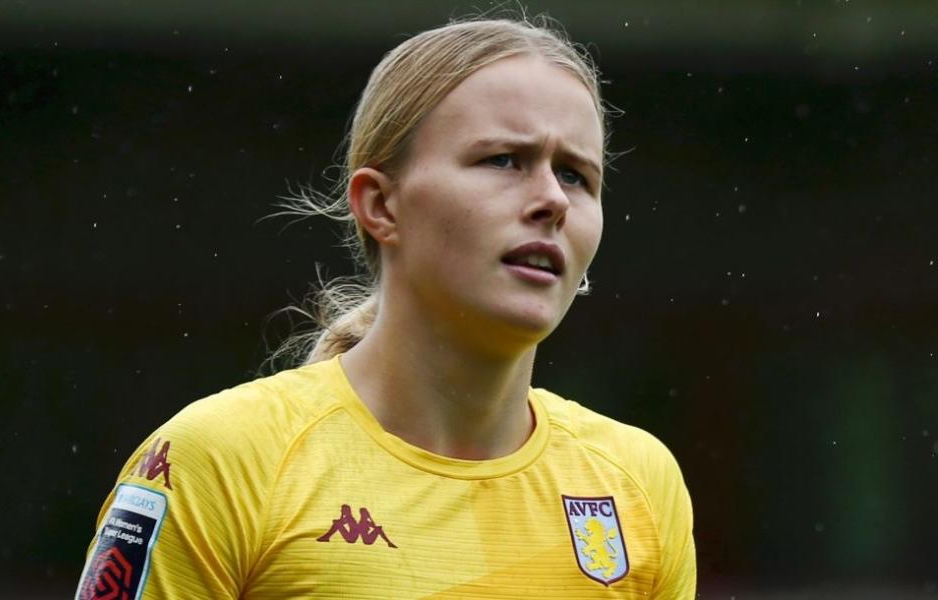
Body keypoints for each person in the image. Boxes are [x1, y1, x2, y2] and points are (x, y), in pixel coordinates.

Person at [77, 15, 696, 599]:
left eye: (576, 176)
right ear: (380, 205)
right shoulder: (218, 460)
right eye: (503, 160)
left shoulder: (636, 481)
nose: (551, 200)